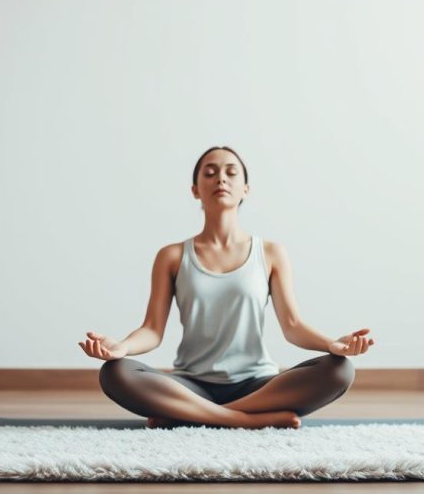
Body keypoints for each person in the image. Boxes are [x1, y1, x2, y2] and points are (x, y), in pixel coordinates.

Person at [78, 145, 375, 430]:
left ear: (246, 188)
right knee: (115, 373)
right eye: (209, 172)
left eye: (231, 172)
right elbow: (153, 330)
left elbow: (293, 325)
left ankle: (187, 415)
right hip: (191, 384)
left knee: (340, 370)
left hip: (258, 384)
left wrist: (332, 345)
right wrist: (122, 347)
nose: (221, 178)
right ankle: (245, 420)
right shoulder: (171, 256)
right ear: (195, 190)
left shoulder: (270, 253)